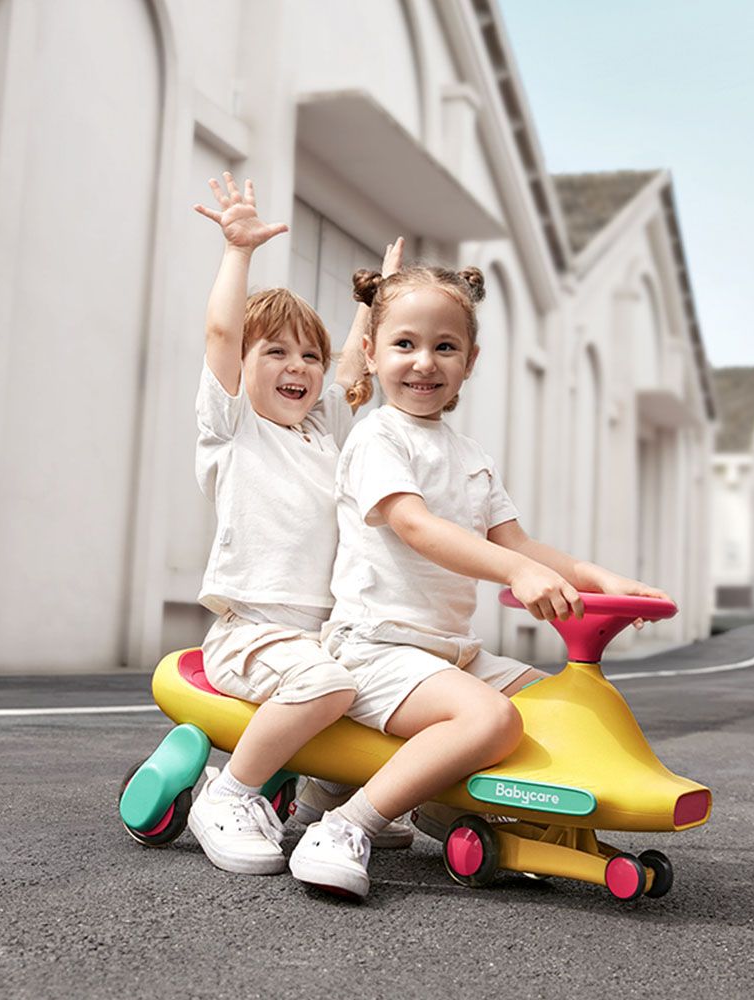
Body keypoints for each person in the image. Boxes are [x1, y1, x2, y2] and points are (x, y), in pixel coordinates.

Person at [287, 263, 670, 898]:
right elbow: (415, 526)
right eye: (404, 344)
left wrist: (603, 578)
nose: (424, 363)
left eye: (445, 347)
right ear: (370, 351)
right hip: (376, 645)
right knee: (492, 719)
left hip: (448, 653)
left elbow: (516, 542)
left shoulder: (471, 457)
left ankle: (478, 810)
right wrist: (518, 572)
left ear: (471, 360)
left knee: (558, 703)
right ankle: (345, 824)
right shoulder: (376, 438)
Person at [186, 172, 410, 876]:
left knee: (373, 684)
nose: (298, 367)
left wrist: (382, 302)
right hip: (251, 632)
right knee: (329, 685)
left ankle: (321, 797)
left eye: (306, 355)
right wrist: (237, 251)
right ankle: (229, 794)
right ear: (241, 368)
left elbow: (352, 366)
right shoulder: (235, 427)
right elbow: (223, 329)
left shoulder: (322, 433)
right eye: (275, 352)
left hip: (324, 635)